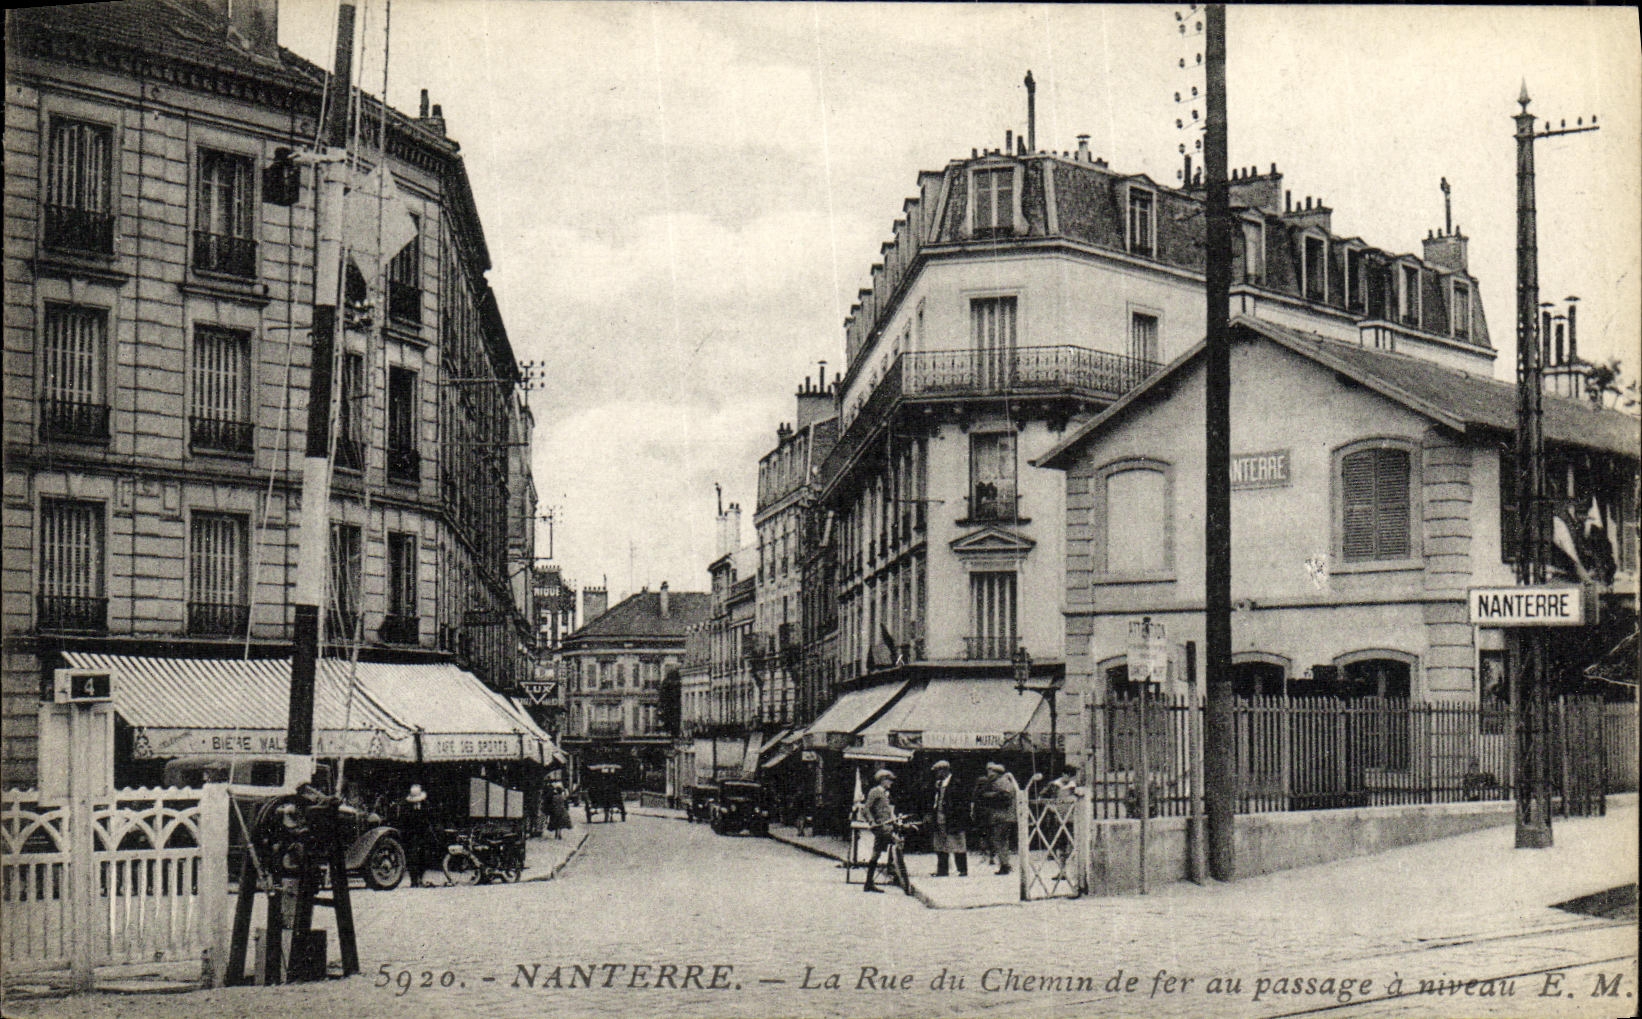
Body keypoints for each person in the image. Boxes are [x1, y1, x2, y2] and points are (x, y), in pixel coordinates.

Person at [926, 760, 969, 877]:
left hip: (953, 819)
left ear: (944, 770)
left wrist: (959, 818)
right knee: (940, 844)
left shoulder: (956, 784)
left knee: (958, 844)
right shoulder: (938, 785)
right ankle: (942, 870)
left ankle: (962, 870)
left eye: (937, 771)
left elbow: (962, 804)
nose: (936, 774)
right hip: (939, 818)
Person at [974, 762, 1018, 875]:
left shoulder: (1001, 782)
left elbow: (1005, 797)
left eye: (990, 771)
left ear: (996, 772)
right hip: (1004, 816)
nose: (989, 773)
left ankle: (1004, 864)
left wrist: (989, 795)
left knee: (999, 840)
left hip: (1002, 817)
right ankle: (1004, 863)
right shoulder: (1002, 781)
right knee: (1002, 841)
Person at [861, 769, 898, 893]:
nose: (891, 783)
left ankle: (870, 882)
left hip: (887, 826)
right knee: (887, 849)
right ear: (883, 780)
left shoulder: (884, 793)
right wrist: (872, 822)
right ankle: (870, 882)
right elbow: (866, 809)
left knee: (880, 852)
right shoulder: (875, 792)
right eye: (889, 780)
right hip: (881, 827)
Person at [397, 784, 436, 888]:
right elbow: (403, 821)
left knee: (424, 856)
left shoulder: (426, 805)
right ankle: (414, 880)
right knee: (412, 858)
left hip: (423, 835)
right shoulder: (406, 806)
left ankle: (420, 878)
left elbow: (429, 819)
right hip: (411, 835)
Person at [1048, 763, 1082, 867]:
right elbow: (1047, 798)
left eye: (1071, 776)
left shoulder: (1074, 786)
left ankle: (1070, 868)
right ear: (1063, 774)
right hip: (1058, 817)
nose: (1069, 778)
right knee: (1060, 843)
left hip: (1071, 818)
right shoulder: (1054, 785)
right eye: (1067, 775)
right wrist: (1051, 807)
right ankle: (1062, 869)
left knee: (1071, 843)